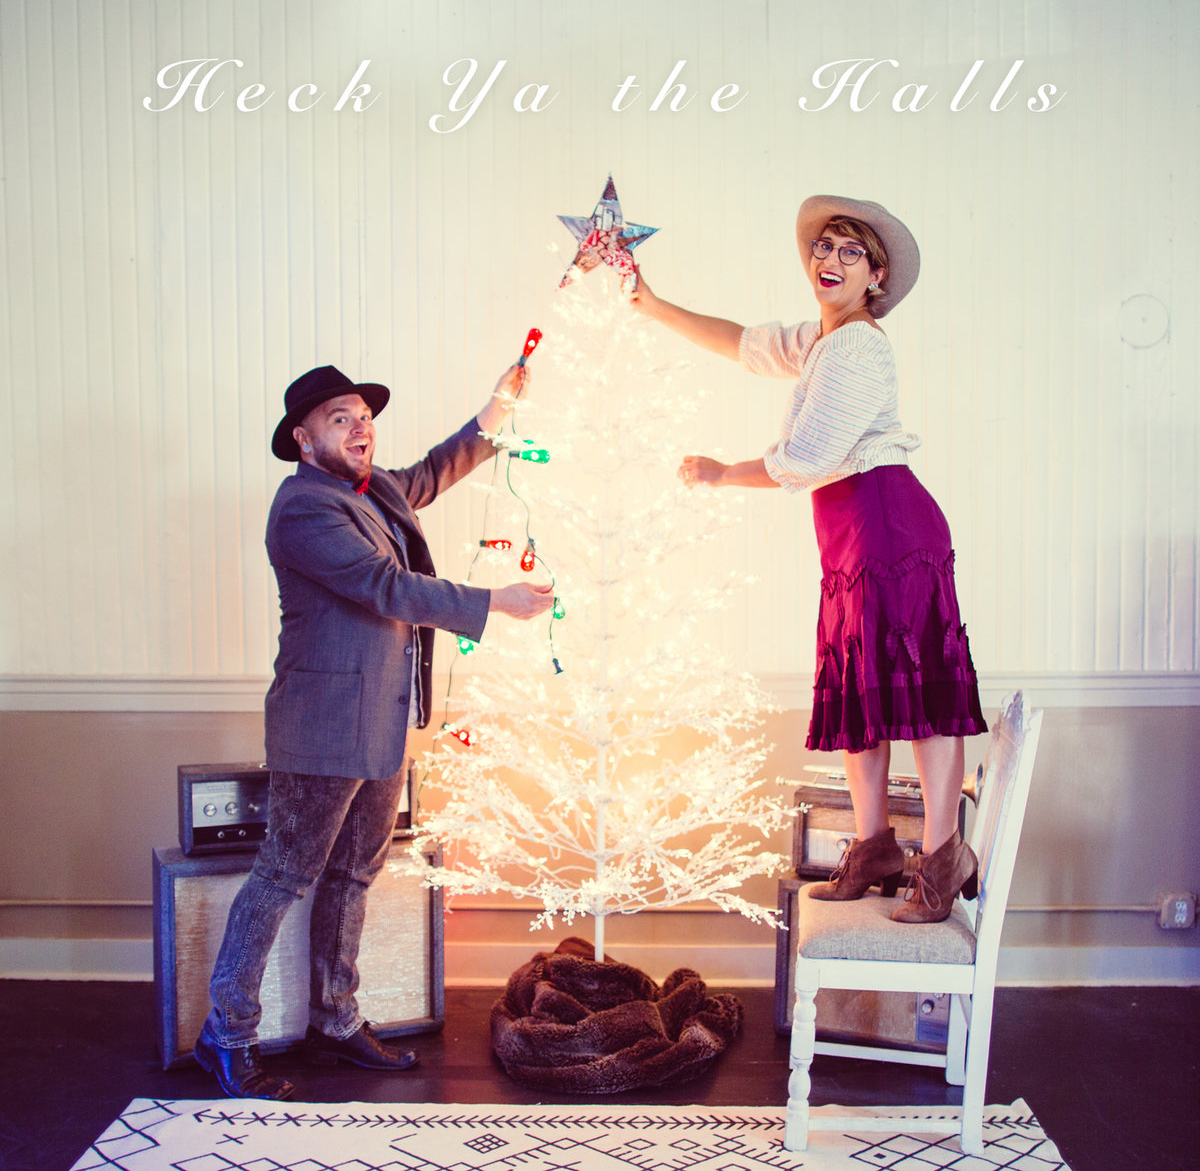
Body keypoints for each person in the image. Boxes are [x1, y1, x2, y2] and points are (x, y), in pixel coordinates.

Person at [194, 362, 554, 1100]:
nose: (361, 427)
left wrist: (494, 411)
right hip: (321, 731)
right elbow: (384, 587)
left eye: (364, 415)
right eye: (341, 418)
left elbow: (431, 472)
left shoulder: (376, 488)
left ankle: (334, 1019)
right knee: (283, 877)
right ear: (303, 440)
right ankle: (224, 1035)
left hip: (384, 724)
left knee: (354, 874)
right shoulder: (302, 510)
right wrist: (493, 602)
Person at [631, 194, 987, 925]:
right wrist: (652, 304)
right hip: (852, 533)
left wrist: (722, 473)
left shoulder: (858, 347)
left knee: (919, 695)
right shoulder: (823, 340)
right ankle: (875, 847)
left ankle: (944, 858)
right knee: (861, 688)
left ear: (876, 276)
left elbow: (809, 456)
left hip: (888, 523)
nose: (830, 260)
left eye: (851, 252)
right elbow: (743, 342)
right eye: (823, 247)